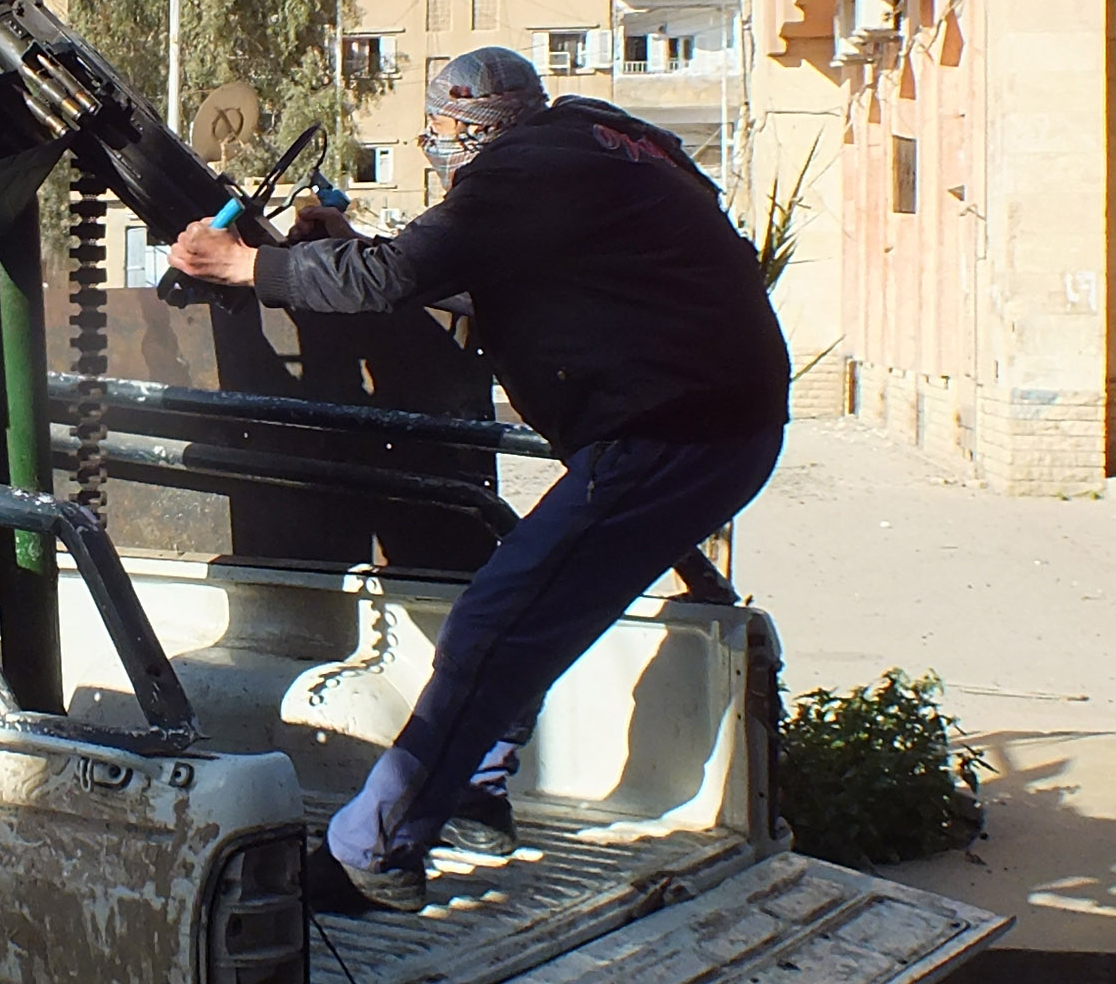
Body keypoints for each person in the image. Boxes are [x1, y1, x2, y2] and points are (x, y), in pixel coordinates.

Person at [166, 45, 791, 913]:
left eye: (440, 135)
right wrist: (345, 250)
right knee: (530, 612)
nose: (439, 153)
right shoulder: (598, 139)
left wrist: (244, 266)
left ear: (468, 131)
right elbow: (505, 274)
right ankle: (475, 789)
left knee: (494, 622)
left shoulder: (518, 171)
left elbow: (393, 277)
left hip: (671, 433)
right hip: (722, 421)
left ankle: (371, 854)